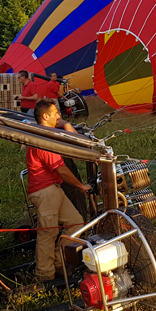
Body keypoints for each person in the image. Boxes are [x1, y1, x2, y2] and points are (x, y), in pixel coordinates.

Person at [27, 99, 91, 282]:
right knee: (48, 233)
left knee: (76, 222)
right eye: (55, 113)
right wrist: (81, 186)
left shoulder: (44, 130)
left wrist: (67, 123)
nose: (59, 116)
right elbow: (60, 169)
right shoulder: (44, 139)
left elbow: (61, 123)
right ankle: (44, 275)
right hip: (44, 191)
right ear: (45, 116)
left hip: (53, 188)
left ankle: (57, 261)